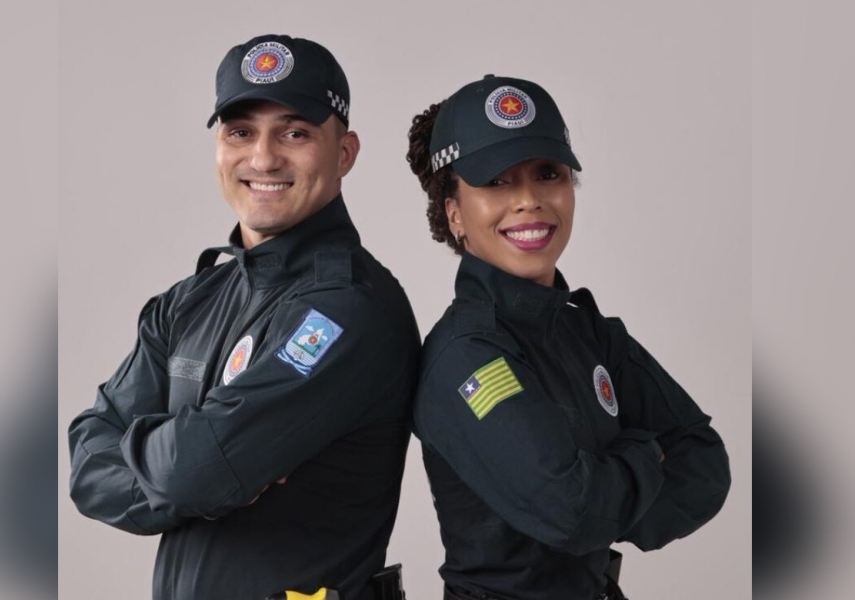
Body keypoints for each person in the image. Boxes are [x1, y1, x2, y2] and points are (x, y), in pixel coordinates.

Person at [68, 34, 419, 600]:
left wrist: (183, 468)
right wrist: (194, 466)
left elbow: (195, 473)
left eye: (295, 133)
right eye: (240, 132)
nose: (263, 158)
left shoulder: (350, 308)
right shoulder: (189, 301)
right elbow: (87, 463)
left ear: (345, 152)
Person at [405, 74, 732, 600]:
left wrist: (608, 495)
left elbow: (706, 466)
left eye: (548, 174)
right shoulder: (466, 355)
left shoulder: (588, 331)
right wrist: (647, 453)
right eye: (497, 182)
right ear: (454, 213)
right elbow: (574, 514)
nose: (529, 200)